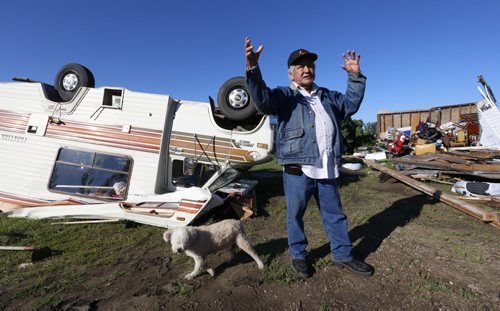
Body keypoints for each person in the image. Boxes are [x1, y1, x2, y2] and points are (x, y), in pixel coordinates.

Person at [244, 36, 374, 278]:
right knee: (295, 216)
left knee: (335, 215)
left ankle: (343, 255)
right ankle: (299, 256)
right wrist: (253, 69)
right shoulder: (284, 96)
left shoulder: (328, 96)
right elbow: (262, 101)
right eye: (300, 66)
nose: (307, 69)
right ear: (291, 74)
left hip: (327, 168)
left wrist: (354, 77)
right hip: (298, 171)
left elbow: (350, 106)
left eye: (310, 65)